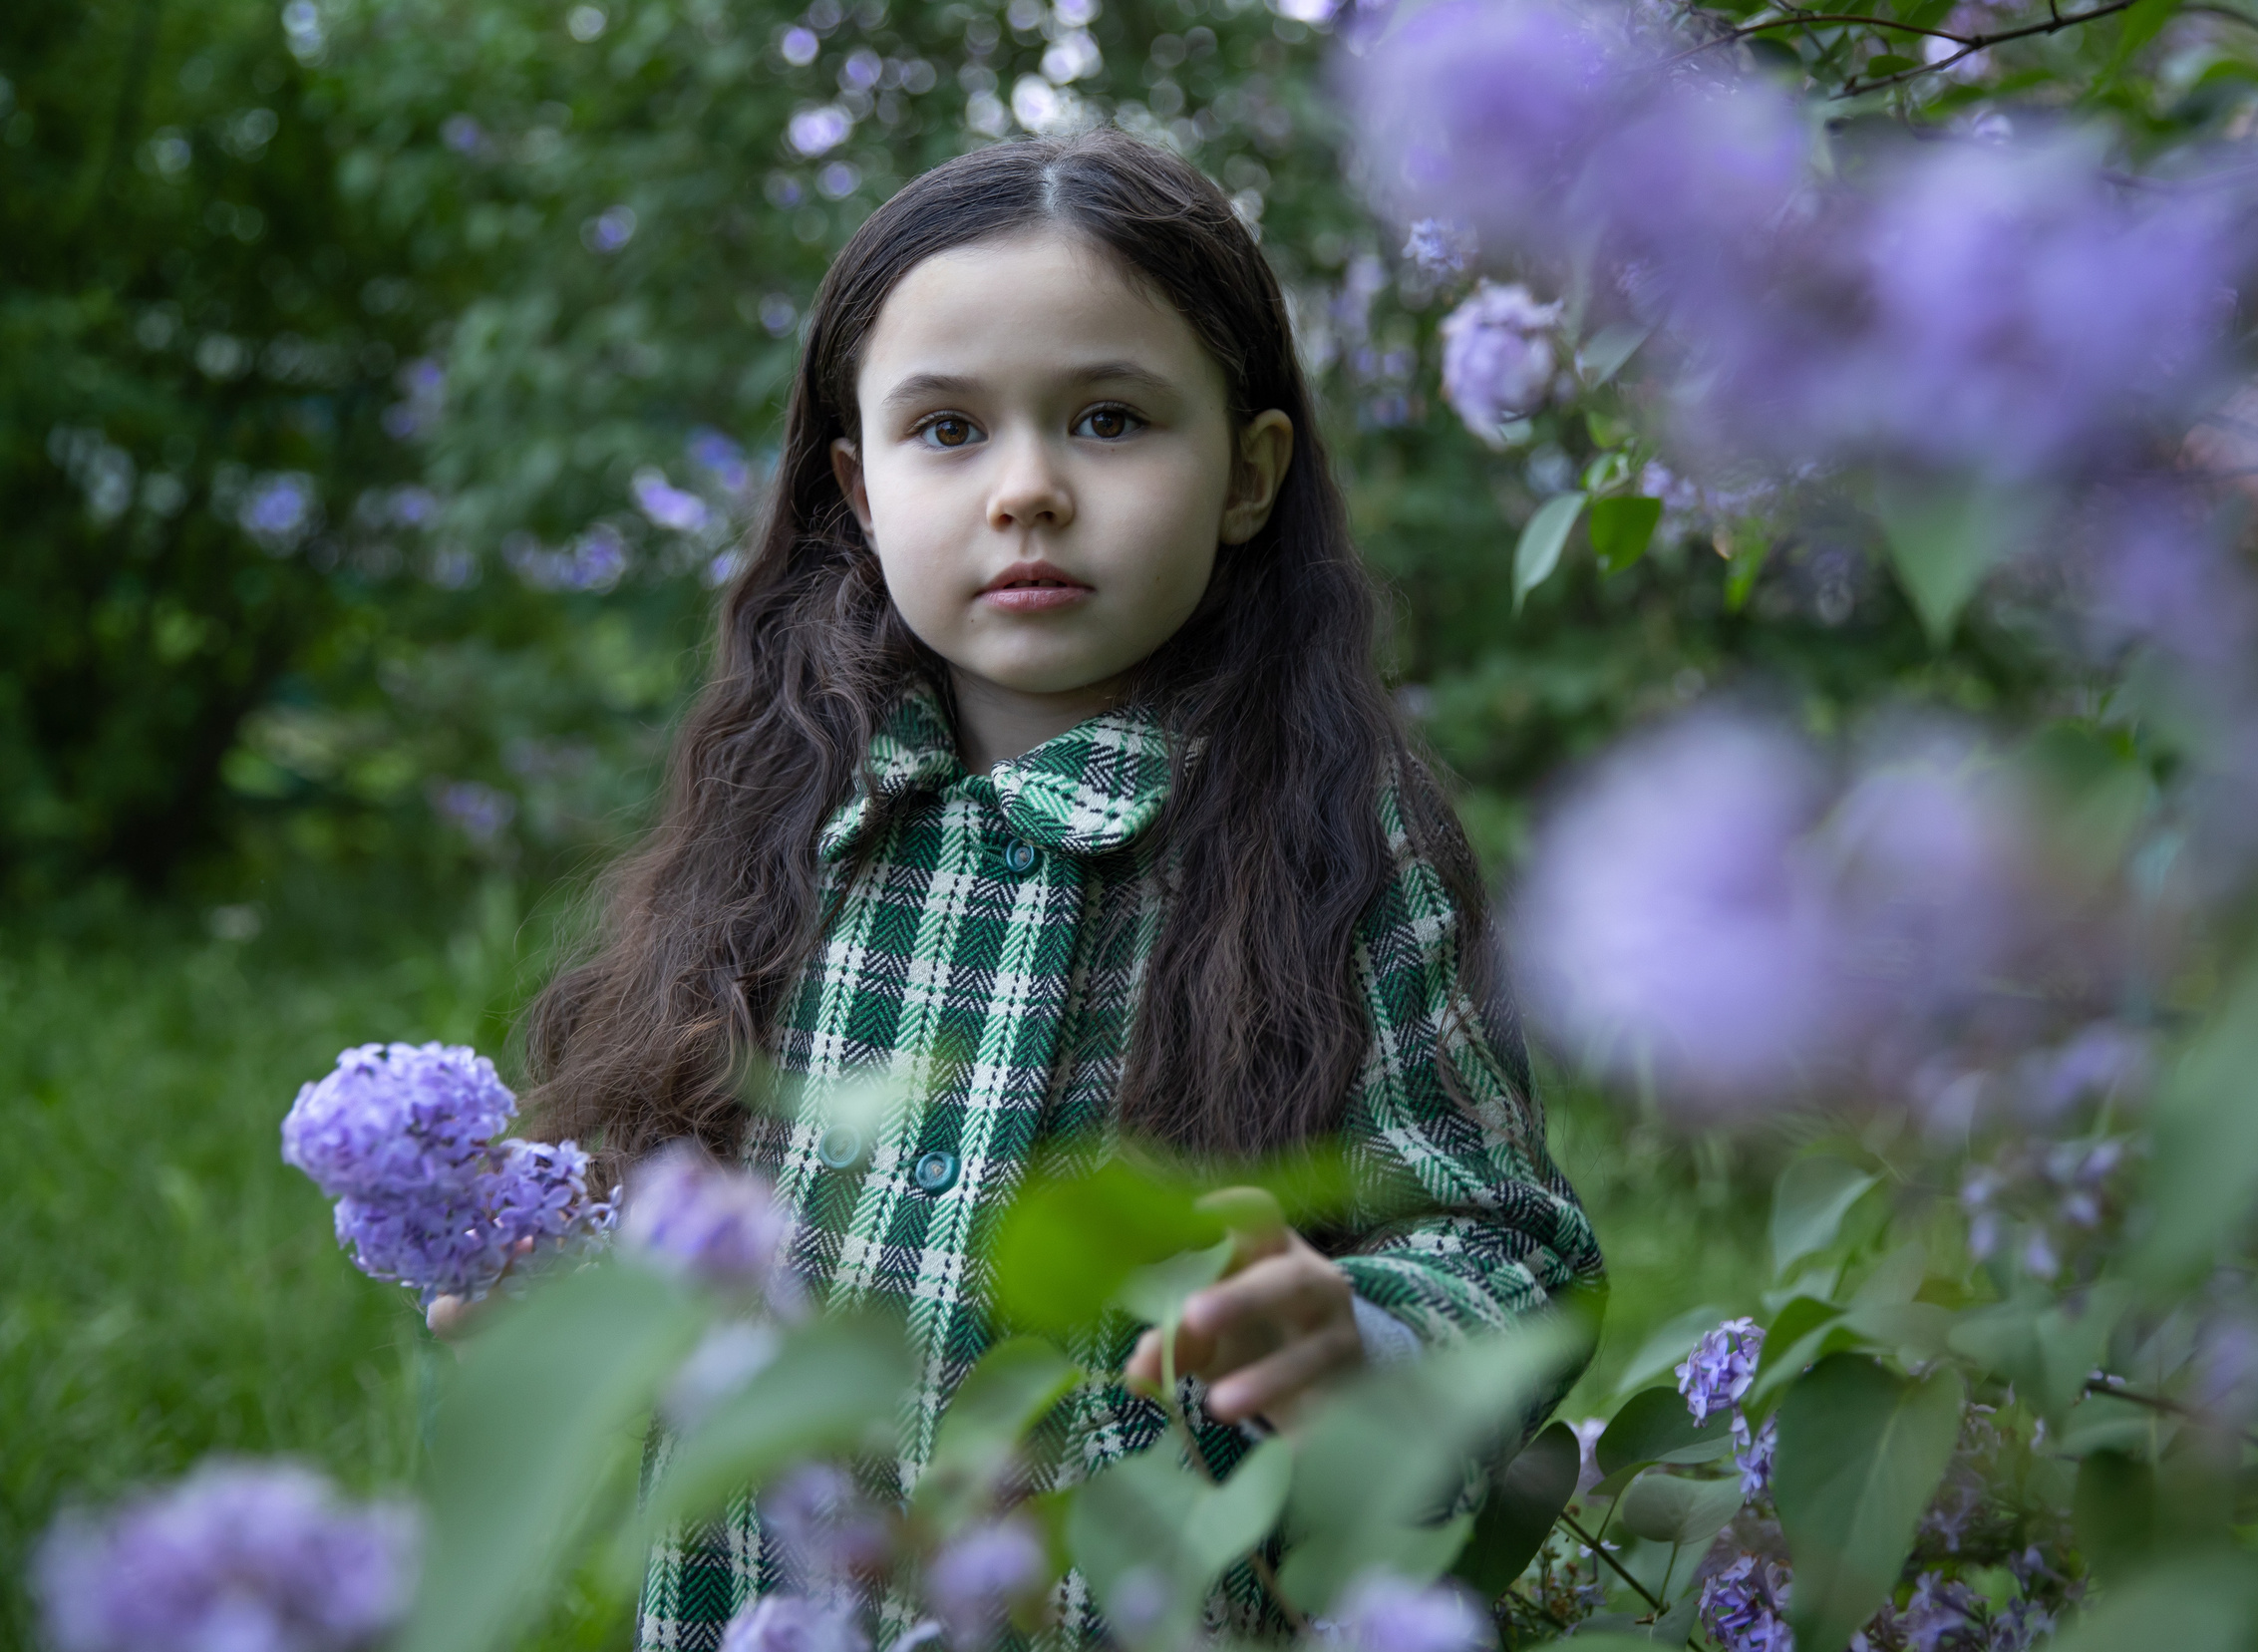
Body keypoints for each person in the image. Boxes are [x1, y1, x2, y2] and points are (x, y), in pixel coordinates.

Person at [508, 129, 1601, 1649]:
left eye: (1108, 418)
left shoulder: (1335, 839)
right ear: (859, 488)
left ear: (1249, 473)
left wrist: (1366, 1335)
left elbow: (1509, 1239)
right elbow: (659, 1176)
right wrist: (542, 1264)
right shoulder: (780, 818)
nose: (1026, 490)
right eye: (947, 429)